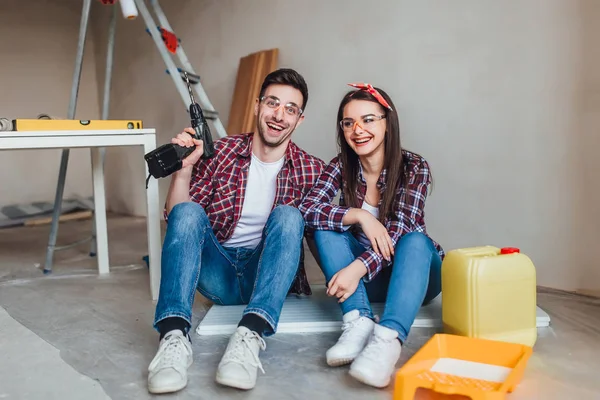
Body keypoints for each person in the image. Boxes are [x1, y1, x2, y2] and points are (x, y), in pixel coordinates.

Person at [147, 68, 325, 393]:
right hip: (218, 272)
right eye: (272, 103)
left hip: (266, 277)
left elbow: (323, 234)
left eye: (290, 109)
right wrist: (184, 170)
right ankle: (173, 337)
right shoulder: (222, 153)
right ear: (257, 106)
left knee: (288, 216)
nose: (278, 115)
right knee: (187, 210)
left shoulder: (313, 169)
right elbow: (178, 219)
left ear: (299, 120)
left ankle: (249, 335)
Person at [298, 82, 444, 388]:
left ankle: (387, 341)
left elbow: (404, 225)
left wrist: (356, 267)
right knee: (325, 224)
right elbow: (308, 209)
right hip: (367, 285)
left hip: (415, 277)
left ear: (387, 124)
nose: (357, 130)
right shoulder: (340, 166)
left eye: (368, 120)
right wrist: (360, 216)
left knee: (415, 240)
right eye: (348, 122)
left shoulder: (414, 167)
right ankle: (357, 320)